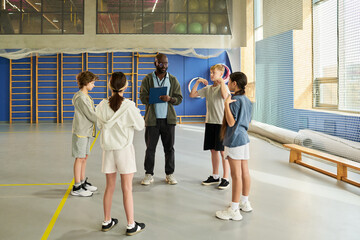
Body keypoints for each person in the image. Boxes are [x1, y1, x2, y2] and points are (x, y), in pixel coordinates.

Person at [95, 72, 146, 236]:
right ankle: (131, 224)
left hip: (108, 150)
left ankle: (106, 221)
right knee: (127, 189)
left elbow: (99, 124)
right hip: (124, 150)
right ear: (126, 86)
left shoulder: (102, 105)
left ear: (110, 86)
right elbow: (140, 125)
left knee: (109, 187)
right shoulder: (129, 106)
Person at [140, 53, 183, 185]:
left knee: (169, 149)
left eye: (166, 63)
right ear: (155, 63)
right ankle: (148, 174)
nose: (163, 66)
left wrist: (170, 99)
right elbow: (142, 97)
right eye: (160, 63)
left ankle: (169, 174)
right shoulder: (147, 79)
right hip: (152, 121)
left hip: (168, 121)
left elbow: (179, 99)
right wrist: (153, 97)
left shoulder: (173, 79)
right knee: (150, 148)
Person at [215, 72, 253, 221]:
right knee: (245, 172)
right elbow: (247, 122)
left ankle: (234, 209)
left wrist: (226, 104)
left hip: (235, 140)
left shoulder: (234, 100)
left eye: (229, 81)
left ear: (235, 84)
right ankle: (245, 202)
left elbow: (231, 123)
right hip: (244, 138)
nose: (228, 83)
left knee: (236, 175)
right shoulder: (247, 100)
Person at [189, 64, 230, 189]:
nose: (211, 75)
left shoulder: (225, 88)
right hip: (210, 122)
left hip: (221, 123)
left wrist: (222, 81)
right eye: (211, 73)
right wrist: (198, 82)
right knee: (213, 150)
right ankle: (215, 176)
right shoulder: (207, 89)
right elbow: (192, 94)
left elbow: (224, 96)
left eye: (214, 73)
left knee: (223, 152)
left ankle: (226, 178)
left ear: (221, 74)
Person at [70, 71, 98, 197]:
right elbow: (91, 115)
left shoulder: (85, 96)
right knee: (79, 158)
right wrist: (106, 118)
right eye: (92, 83)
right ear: (86, 83)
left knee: (84, 157)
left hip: (86, 132)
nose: (94, 85)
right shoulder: (81, 97)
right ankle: (76, 187)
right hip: (81, 132)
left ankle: (82, 182)